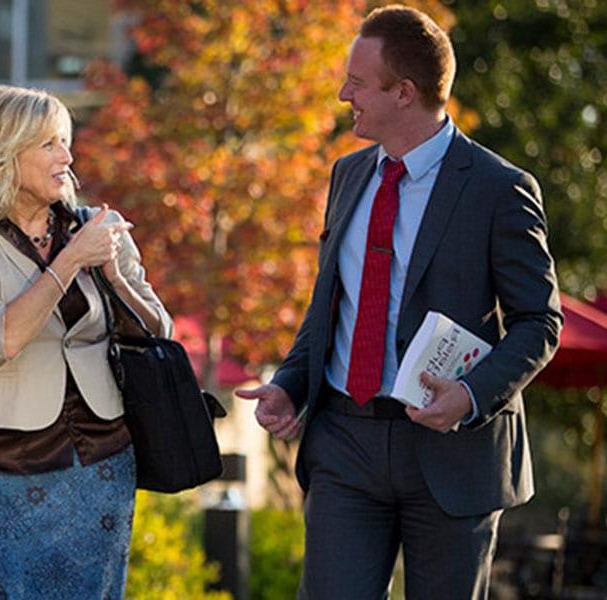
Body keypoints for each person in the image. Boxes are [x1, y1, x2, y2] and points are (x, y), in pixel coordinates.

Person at [235, 5, 563, 598]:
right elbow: (330, 304)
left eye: (358, 84)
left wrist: (469, 394)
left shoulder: (500, 189)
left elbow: (540, 321)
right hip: (345, 443)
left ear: (405, 92)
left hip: (453, 450)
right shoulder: (348, 175)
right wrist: (291, 382)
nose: (342, 94)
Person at [0, 84, 173, 598]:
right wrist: (70, 260)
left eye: (65, 141)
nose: (67, 156)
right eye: (48, 145)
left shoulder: (99, 230)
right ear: (2, 152)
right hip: (0, 465)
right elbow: (2, 338)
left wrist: (114, 274)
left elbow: (158, 334)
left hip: (101, 458)